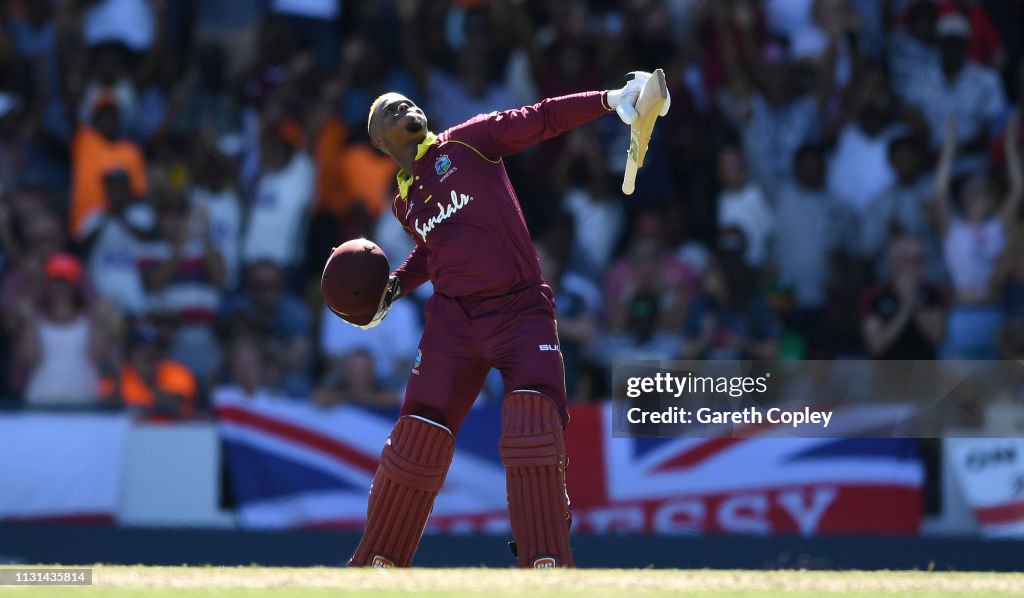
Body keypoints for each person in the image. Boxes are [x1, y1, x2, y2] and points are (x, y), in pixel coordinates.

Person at [340, 73, 669, 568]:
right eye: (390, 109)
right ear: (378, 141)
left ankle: (545, 560)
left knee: (532, 429)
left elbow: (540, 119)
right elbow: (435, 250)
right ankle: (375, 568)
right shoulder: (404, 202)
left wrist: (611, 100)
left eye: (408, 101)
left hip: (519, 311)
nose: (404, 106)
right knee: (415, 441)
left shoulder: (468, 142)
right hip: (454, 323)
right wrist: (392, 290)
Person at [934, 113, 1022, 358]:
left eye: (985, 195)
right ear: (964, 201)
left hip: (993, 311)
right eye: (975, 195)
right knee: (961, 384)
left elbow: (1017, 190)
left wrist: (1010, 147)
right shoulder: (954, 230)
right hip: (963, 312)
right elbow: (939, 194)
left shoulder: (996, 227)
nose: (981, 200)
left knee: (994, 381)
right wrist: (949, 149)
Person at [860, 236, 947, 359]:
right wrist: (905, 307)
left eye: (920, 260)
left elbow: (936, 337)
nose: (915, 267)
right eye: (908, 260)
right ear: (892, 263)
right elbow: (876, 346)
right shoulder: (875, 295)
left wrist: (914, 301)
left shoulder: (933, 292)